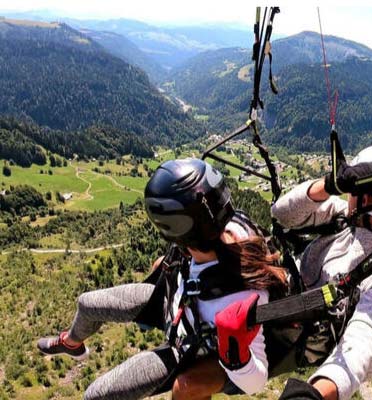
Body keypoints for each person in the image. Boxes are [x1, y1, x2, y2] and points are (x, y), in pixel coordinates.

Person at [37, 158, 287, 400]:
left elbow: (257, 383)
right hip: (174, 299)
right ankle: (72, 344)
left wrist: (237, 355)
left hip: (190, 346)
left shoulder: (238, 298)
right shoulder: (233, 225)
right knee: (87, 304)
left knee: (95, 395)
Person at [271, 144, 372, 400]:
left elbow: (366, 339)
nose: (348, 195)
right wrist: (329, 185)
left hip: (298, 330)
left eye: (353, 190)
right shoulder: (343, 216)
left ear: (365, 199)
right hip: (282, 293)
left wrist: (318, 392)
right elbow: (281, 214)